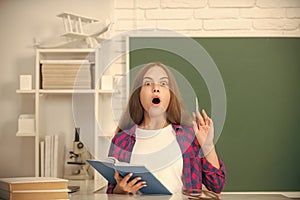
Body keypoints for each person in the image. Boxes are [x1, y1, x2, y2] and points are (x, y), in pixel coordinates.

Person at [107, 62, 226, 195]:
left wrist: (208, 146)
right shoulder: (121, 141)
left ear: (171, 94)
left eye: (163, 83)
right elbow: (111, 191)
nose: (155, 88)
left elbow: (217, 185)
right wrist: (120, 190)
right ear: (138, 94)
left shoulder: (189, 137)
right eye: (147, 83)